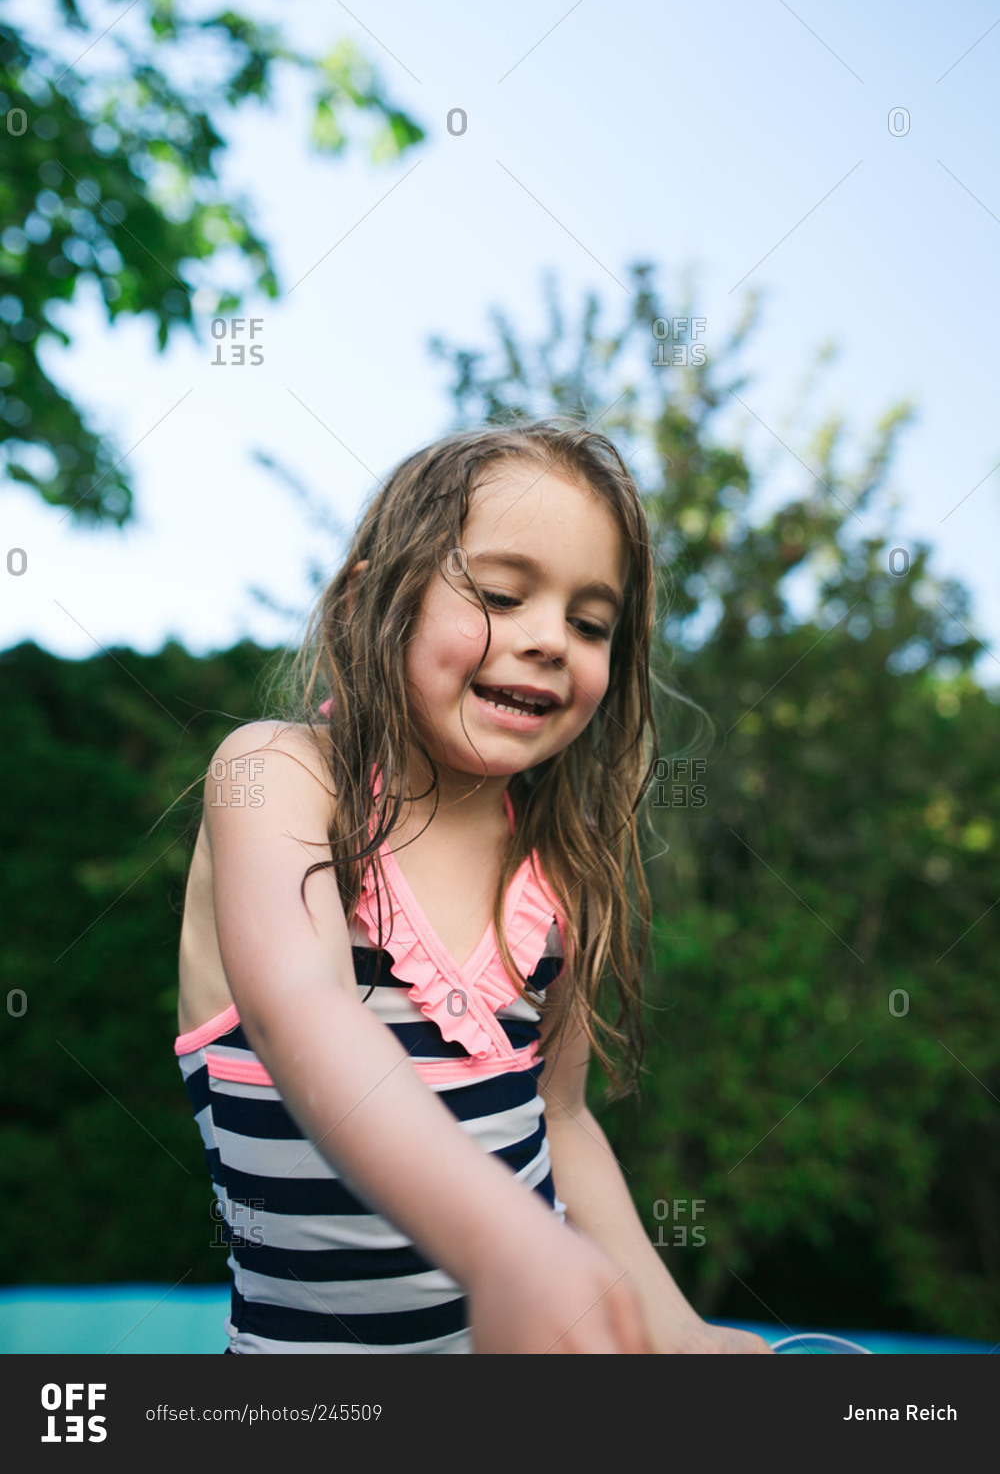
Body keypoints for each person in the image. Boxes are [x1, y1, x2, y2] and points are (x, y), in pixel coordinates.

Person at [174, 418, 772, 1356]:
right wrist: (507, 1249)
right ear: (374, 603)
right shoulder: (278, 779)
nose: (548, 641)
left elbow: (563, 1124)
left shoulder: (553, 877)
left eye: (589, 623)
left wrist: (678, 1330)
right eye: (500, 593)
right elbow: (304, 1011)